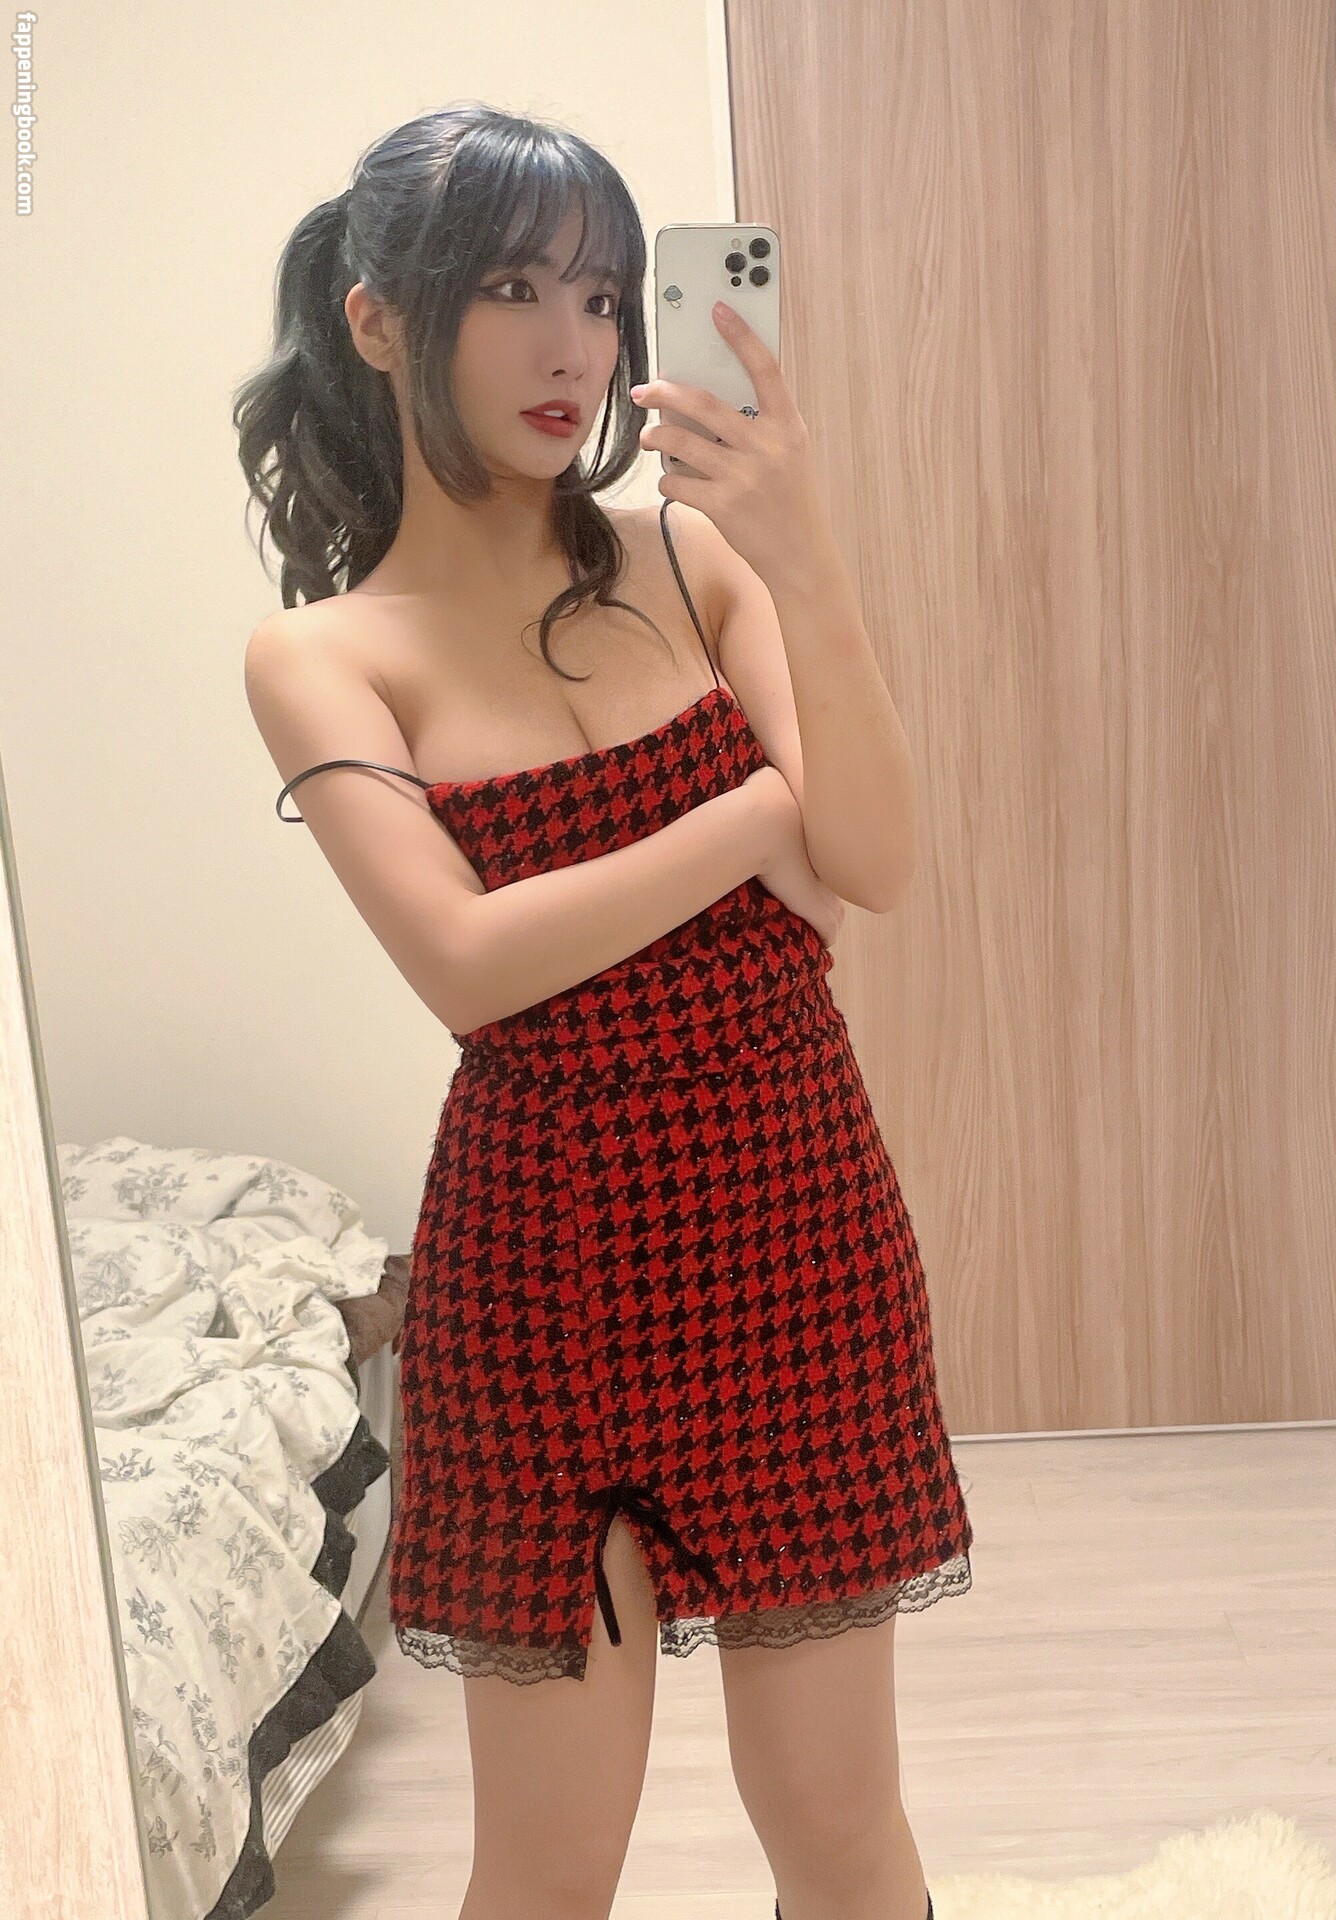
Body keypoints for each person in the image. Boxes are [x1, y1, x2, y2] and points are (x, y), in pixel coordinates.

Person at [236, 100, 970, 1920]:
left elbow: (875, 856)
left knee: (843, 1831)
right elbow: (472, 963)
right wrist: (751, 817)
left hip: (795, 1227)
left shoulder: (699, 564)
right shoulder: (325, 655)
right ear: (378, 317)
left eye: (598, 294)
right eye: (509, 290)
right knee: (552, 1867)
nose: (572, 345)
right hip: (540, 1274)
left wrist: (801, 552)